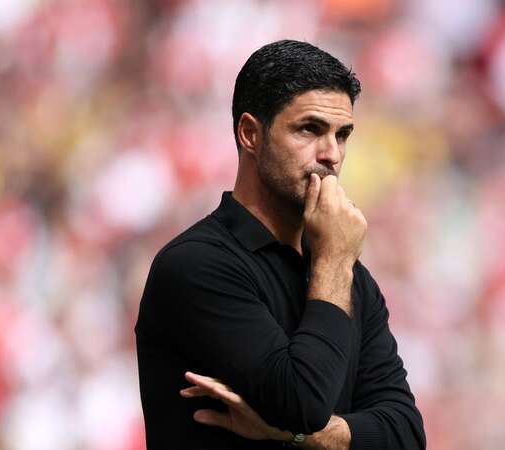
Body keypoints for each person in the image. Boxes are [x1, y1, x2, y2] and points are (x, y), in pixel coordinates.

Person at [135, 40, 426, 449]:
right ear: (250, 134)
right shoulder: (196, 265)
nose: (332, 154)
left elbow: (406, 435)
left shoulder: (349, 276)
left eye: (342, 135)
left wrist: (302, 436)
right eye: (309, 129)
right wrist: (335, 261)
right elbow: (301, 403)